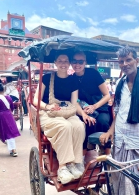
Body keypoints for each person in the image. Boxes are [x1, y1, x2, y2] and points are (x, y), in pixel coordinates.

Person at [100, 47, 139, 195]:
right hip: (121, 141)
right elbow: (118, 112)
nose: (125, 64)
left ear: (137, 60)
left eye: (128, 60)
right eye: (121, 61)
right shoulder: (120, 83)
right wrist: (110, 131)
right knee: (121, 181)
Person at [33, 53, 86, 185]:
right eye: (60, 61)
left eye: (66, 61)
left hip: (67, 112)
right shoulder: (46, 78)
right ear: (55, 62)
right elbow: (35, 100)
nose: (63, 63)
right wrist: (48, 107)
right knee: (64, 127)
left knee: (79, 126)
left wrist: (84, 113)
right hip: (48, 113)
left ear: (69, 63)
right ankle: (63, 167)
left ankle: (74, 163)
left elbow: (74, 103)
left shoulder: (73, 80)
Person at [71, 51, 111, 157]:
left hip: (100, 107)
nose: (77, 64)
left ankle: (106, 153)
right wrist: (83, 111)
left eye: (80, 62)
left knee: (103, 122)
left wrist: (94, 106)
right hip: (83, 109)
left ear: (85, 62)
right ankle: (82, 155)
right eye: (74, 61)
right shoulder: (71, 79)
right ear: (71, 63)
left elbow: (107, 95)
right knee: (81, 125)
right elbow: (74, 100)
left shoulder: (93, 73)